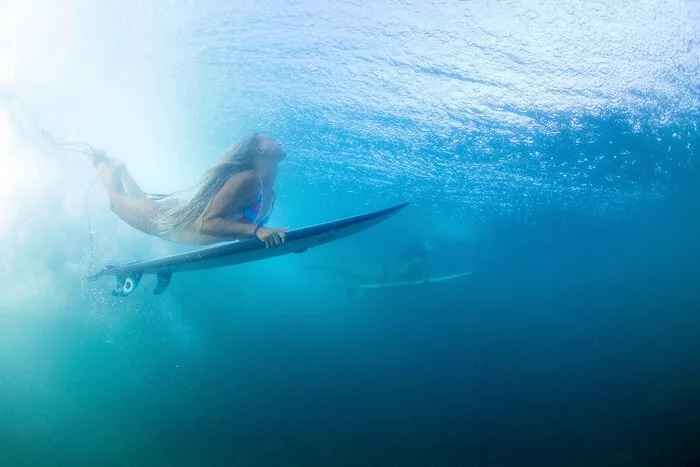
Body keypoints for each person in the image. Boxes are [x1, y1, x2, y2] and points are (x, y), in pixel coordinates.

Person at [88, 133, 288, 247]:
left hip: (179, 217)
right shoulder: (248, 179)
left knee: (138, 200)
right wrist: (258, 230)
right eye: (271, 139)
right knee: (116, 200)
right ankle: (100, 160)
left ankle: (123, 169)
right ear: (259, 150)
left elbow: (239, 227)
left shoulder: (269, 192)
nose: (278, 141)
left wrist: (280, 240)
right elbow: (208, 224)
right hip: (173, 224)